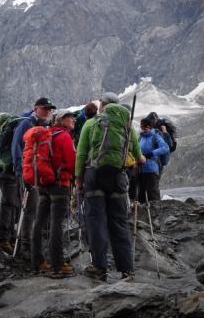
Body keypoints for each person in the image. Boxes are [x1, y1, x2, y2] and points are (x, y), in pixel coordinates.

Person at [76, 92, 143, 281]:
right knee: (119, 222)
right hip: (118, 178)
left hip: (94, 176)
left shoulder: (91, 124)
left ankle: (99, 266)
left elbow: (81, 154)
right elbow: (137, 155)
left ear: (102, 106)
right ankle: (126, 269)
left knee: (96, 222)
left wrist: (78, 179)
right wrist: (140, 159)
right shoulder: (127, 126)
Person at [32, 110, 76, 276]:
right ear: (62, 120)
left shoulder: (46, 134)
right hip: (60, 184)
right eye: (70, 117)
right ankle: (58, 264)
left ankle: (38, 262)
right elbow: (72, 162)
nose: (73, 120)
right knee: (57, 224)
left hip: (44, 185)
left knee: (40, 222)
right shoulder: (64, 137)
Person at [11, 97, 56, 259]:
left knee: (37, 209)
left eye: (49, 109)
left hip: (40, 175)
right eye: (44, 108)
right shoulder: (26, 123)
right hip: (28, 174)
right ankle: (25, 247)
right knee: (30, 209)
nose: (47, 111)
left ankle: (33, 244)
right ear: (35, 108)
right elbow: (16, 146)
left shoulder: (44, 126)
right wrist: (20, 172)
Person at [138, 118, 169, 203]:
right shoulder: (140, 138)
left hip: (152, 170)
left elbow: (165, 148)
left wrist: (151, 154)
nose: (143, 130)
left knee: (153, 194)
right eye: (142, 128)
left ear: (150, 127)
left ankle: (156, 213)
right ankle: (144, 214)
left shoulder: (155, 137)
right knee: (141, 195)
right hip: (140, 170)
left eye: (145, 128)